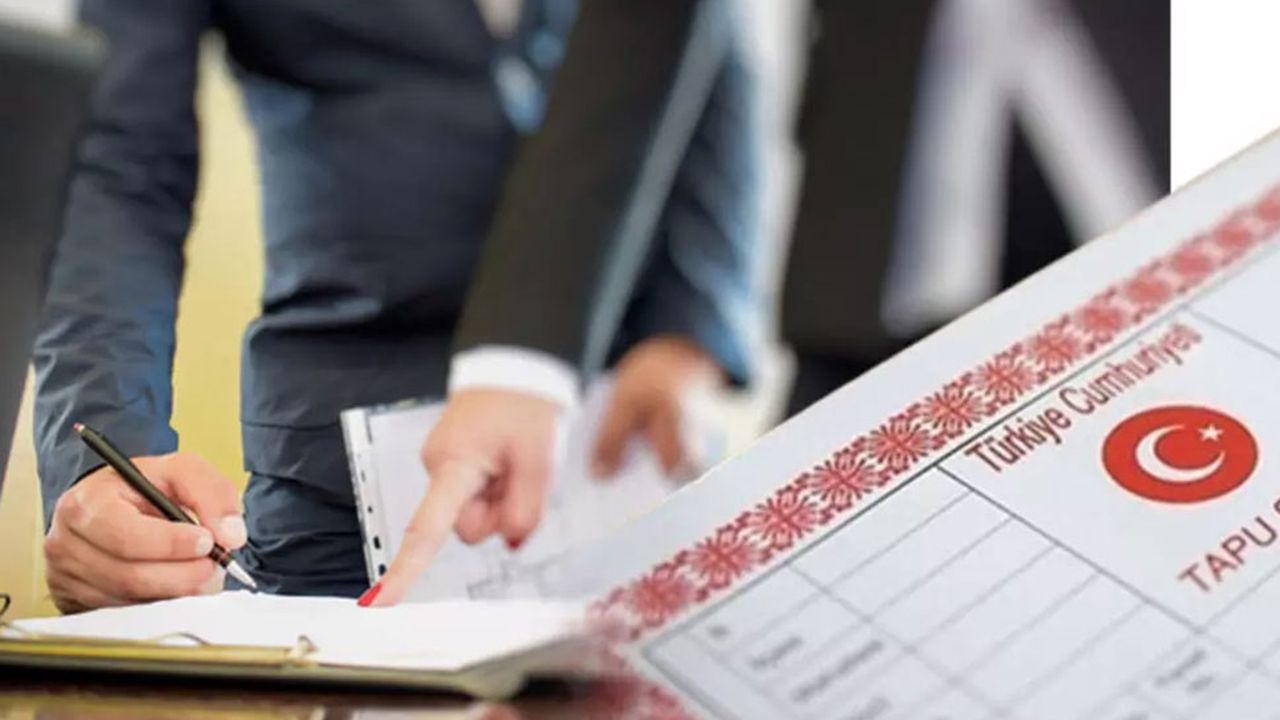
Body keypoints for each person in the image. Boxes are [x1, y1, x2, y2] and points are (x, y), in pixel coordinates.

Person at [34, 0, 757, 613]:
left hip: (626, 432)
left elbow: (699, 31)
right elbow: (120, 168)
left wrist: (689, 328)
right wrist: (103, 451)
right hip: (342, 471)